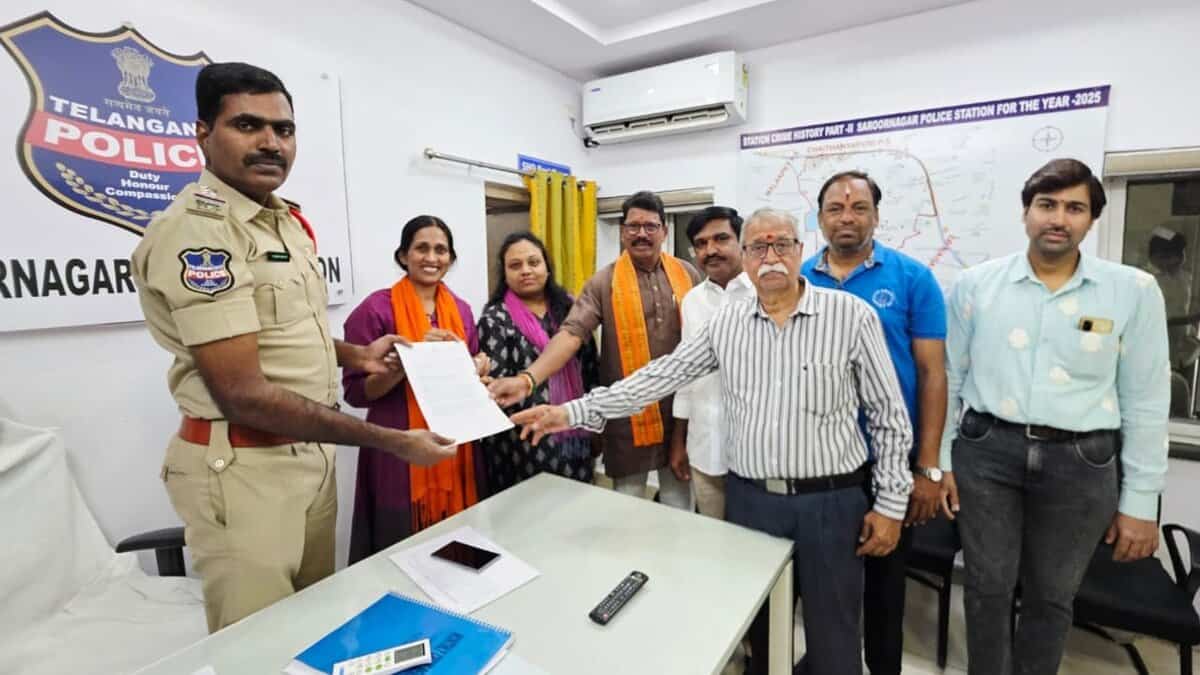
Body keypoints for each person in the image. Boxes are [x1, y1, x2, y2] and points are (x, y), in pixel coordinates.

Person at [512, 208, 914, 675]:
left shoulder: (850, 316)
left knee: (834, 639)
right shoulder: (727, 324)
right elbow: (658, 377)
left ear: (801, 251)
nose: (771, 256)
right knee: (762, 634)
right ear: (745, 256)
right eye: (758, 246)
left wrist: (891, 505)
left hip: (831, 503)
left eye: (782, 244)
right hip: (753, 504)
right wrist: (569, 412)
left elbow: (888, 415)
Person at [131, 62, 455, 633]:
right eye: (247, 125)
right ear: (203, 132)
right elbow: (242, 393)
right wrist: (391, 442)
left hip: (308, 457)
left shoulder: (284, 222)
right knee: (256, 642)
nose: (270, 143)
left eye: (283, 129)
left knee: (312, 625)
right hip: (245, 468)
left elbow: (283, 332)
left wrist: (356, 355)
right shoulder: (201, 230)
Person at [940, 158, 1170, 675]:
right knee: (986, 587)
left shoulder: (1132, 291)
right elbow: (950, 378)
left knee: (1052, 596)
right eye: (1046, 205)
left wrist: (1140, 501)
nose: (1058, 219)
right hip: (986, 453)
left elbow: (1147, 400)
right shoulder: (977, 286)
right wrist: (941, 462)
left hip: (1082, 463)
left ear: (1092, 219)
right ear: (1026, 212)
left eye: (1074, 208)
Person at [800, 171, 947, 675]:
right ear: (820, 218)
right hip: (818, 463)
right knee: (822, 582)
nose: (847, 217)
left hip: (889, 461)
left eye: (859, 208)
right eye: (836, 208)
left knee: (885, 586)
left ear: (876, 216)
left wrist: (927, 467)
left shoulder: (913, 279)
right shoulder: (799, 279)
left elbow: (932, 374)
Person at [489, 191, 701, 510]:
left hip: (681, 413)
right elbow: (571, 334)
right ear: (622, 231)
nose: (641, 233)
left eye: (650, 226)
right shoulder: (604, 282)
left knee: (679, 504)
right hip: (627, 415)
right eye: (633, 226)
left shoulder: (688, 274)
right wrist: (528, 379)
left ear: (664, 231)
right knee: (627, 504)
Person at [342, 215, 490, 563]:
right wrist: (408, 363)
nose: (432, 258)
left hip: (454, 446)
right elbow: (356, 393)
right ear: (403, 255)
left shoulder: (462, 311)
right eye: (422, 248)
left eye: (441, 250)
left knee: (459, 542)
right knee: (399, 547)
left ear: (451, 258)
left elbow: (466, 378)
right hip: (398, 447)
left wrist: (478, 368)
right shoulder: (375, 309)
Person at [476, 232, 600, 491]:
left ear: (547, 267)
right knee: (529, 504)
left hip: (573, 421)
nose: (526, 271)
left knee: (577, 499)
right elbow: (497, 387)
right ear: (505, 274)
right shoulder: (495, 319)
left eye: (533, 262)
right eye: (515, 265)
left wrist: (597, 423)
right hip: (522, 436)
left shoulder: (572, 311)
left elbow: (590, 370)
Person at [668, 206, 753, 518]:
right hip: (704, 447)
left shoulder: (766, 295)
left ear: (742, 242)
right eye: (701, 244)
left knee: (756, 540)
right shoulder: (693, 301)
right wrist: (679, 441)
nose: (710, 250)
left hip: (756, 457)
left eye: (721, 239)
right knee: (713, 534)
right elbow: (686, 375)